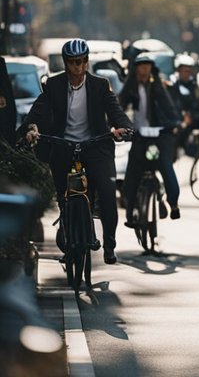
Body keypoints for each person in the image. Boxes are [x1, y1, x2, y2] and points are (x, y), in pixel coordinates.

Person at [23, 39, 132, 264]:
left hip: (95, 146)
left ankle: (109, 244)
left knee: (106, 189)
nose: (78, 66)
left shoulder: (100, 85)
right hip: (64, 147)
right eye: (73, 62)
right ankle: (70, 235)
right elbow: (38, 111)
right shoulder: (53, 85)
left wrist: (121, 127)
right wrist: (32, 128)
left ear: (87, 62)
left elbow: (115, 110)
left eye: (82, 61)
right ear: (66, 63)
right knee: (64, 195)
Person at [119, 53, 183, 224]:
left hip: (159, 133)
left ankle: (173, 204)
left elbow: (168, 107)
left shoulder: (158, 86)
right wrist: (118, 126)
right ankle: (131, 210)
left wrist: (175, 123)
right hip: (138, 134)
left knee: (165, 166)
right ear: (135, 68)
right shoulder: (130, 87)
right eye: (141, 65)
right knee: (133, 171)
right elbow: (119, 107)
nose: (145, 69)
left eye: (148, 65)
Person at [171, 54, 199, 155]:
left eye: (189, 71)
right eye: (184, 71)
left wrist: (191, 115)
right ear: (179, 72)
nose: (187, 74)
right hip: (178, 120)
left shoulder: (195, 86)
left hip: (194, 119)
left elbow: (198, 103)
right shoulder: (173, 87)